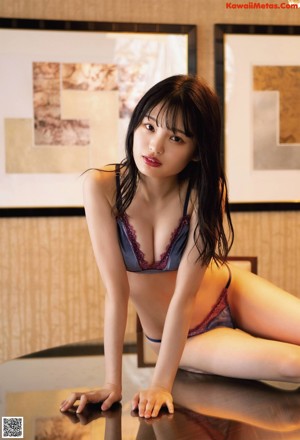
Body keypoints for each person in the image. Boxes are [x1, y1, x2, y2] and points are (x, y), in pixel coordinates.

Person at [60, 74, 300, 419]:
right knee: (293, 365)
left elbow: (185, 294)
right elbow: (117, 294)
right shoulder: (101, 187)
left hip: (232, 290)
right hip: (189, 338)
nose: (155, 146)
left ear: (197, 149)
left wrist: (160, 386)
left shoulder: (204, 191)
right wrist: (117, 383)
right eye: (149, 126)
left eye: (175, 137)